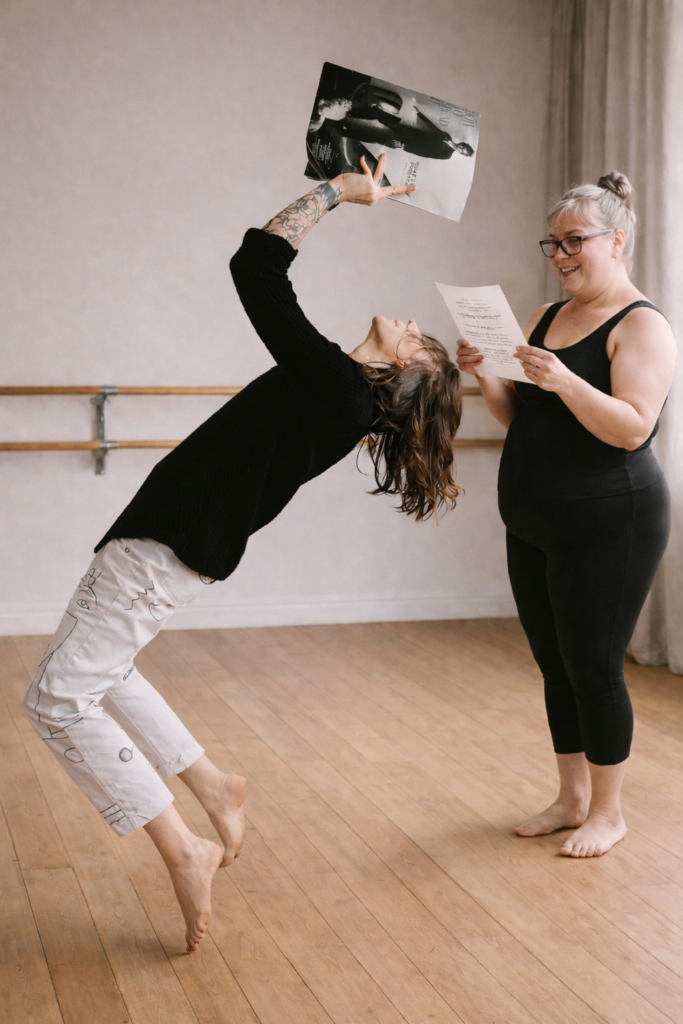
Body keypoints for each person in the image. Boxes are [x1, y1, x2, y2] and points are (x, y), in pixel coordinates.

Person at [24, 154, 463, 952]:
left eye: (416, 337)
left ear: (402, 367)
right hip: (176, 548)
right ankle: (213, 786)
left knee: (56, 702)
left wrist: (337, 193)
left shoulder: (333, 384)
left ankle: (181, 844)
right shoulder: (332, 392)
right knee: (102, 672)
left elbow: (256, 263)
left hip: (163, 544)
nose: (404, 322)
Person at [457, 172, 676, 858]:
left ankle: (607, 812)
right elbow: (515, 416)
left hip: (611, 520)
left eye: (573, 240)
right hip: (532, 517)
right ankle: (571, 796)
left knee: (594, 666)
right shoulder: (542, 318)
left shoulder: (642, 325)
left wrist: (564, 378)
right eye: (552, 243)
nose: (559, 254)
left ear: (616, 240)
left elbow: (631, 428)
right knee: (553, 663)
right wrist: (484, 374)